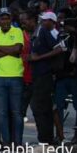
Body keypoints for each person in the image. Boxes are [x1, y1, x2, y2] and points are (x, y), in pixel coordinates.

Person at [0, 10, 25, 146]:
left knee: (16, 113)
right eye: (2, 19)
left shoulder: (17, 31)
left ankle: (18, 143)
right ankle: (7, 143)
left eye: (7, 18)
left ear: (11, 19)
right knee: (1, 113)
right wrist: (11, 51)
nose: (5, 21)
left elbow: (18, 49)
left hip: (16, 77)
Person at [29, 11, 64, 144]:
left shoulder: (45, 32)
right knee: (43, 107)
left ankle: (45, 139)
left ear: (52, 22)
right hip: (40, 75)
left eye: (46, 20)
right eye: (42, 20)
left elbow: (59, 49)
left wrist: (39, 58)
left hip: (45, 75)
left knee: (40, 107)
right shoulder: (42, 31)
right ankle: (47, 138)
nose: (43, 22)